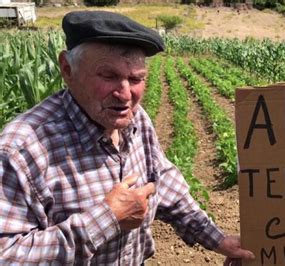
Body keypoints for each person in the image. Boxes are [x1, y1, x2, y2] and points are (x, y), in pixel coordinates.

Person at [0, 11, 254, 265]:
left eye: (136, 79)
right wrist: (105, 220)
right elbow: (6, 254)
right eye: (108, 76)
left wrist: (218, 239)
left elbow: (162, 181)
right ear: (67, 69)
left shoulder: (135, 119)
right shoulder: (20, 150)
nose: (124, 94)